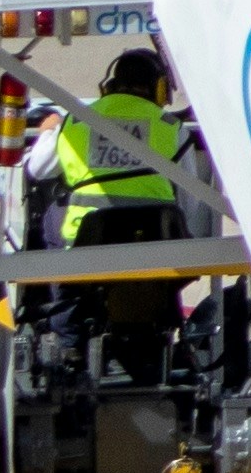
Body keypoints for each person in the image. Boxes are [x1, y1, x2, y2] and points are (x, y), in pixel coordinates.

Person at [41, 49, 192, 357]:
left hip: (88, 246)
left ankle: (66, 336)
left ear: (109, 86)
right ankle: (168, 318)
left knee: (51, 218)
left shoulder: (77, 120)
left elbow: (37, 170)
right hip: (158, 246)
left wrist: (48, 132)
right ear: (159, 88)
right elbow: (191, 196)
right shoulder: (170, 128)